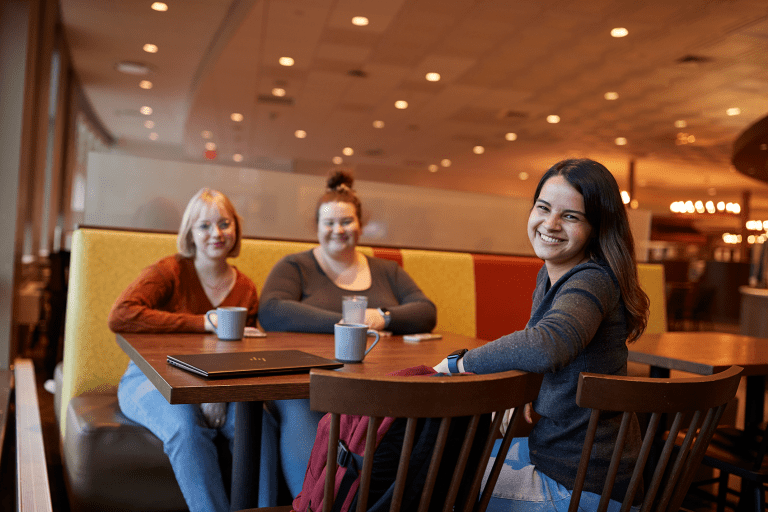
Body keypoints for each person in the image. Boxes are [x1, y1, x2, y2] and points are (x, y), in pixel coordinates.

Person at [434, 159, 650, 511]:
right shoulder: (552, 274)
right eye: (543, 208)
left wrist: (458, 363)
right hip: (580, 469)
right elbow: (546, 348)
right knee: (450, 455)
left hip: (581, 488)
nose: (550, 224)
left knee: (432, 476)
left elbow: (548, 344)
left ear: (596, 227)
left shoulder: (591, 279)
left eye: (570, 216)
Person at [258, 170, 437, 501]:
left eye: (346, 222)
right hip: (307, 385)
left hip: (379, 382)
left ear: (360, 225)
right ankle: (312, 504)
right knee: (301, 408)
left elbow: (426, 311)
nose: (338, 230)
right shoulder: (295, 266)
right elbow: (271, 310)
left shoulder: (387, 270)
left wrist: (383, 317)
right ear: (317, 227)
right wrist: (345, 321)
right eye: (329, 223)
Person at [108, 188, 259, 512]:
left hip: (219, 384)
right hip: (148, 378)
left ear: (236, 229)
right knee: (184, 428)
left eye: (224, 223)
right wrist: (203, 323)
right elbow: (121, 314)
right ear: (190, 232)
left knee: (257, 426)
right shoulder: (169, 271)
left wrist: (216, 393)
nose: (216, 234)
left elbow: (245, 352)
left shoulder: (246, 288)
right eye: (204, 226)